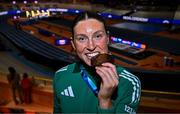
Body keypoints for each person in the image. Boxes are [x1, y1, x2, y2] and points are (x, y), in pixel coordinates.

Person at [53, 12, 141, 113]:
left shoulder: (130, 83)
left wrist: (105, 100)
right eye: (82, 38)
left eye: (98, 36)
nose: (91, 46)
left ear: (107, 38)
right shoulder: (60, 76)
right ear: (73, 44)